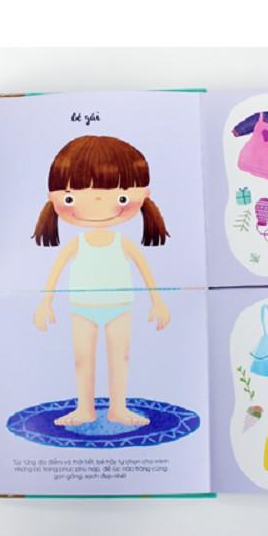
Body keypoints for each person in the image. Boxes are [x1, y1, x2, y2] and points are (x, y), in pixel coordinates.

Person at [32, 135, 170, 426]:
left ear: (144, 194)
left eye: (120, 197)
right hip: (82, 308)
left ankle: (118, 408)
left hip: (120, 306)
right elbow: (55, 273)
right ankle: (85, 408)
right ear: (53, 198)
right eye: (71, 197)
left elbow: (145, 270)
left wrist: (158, 301)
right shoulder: (77, 244)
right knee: (82, 359)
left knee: (120, 358)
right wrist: (45, 302)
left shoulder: (122, 243)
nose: (97, 205)